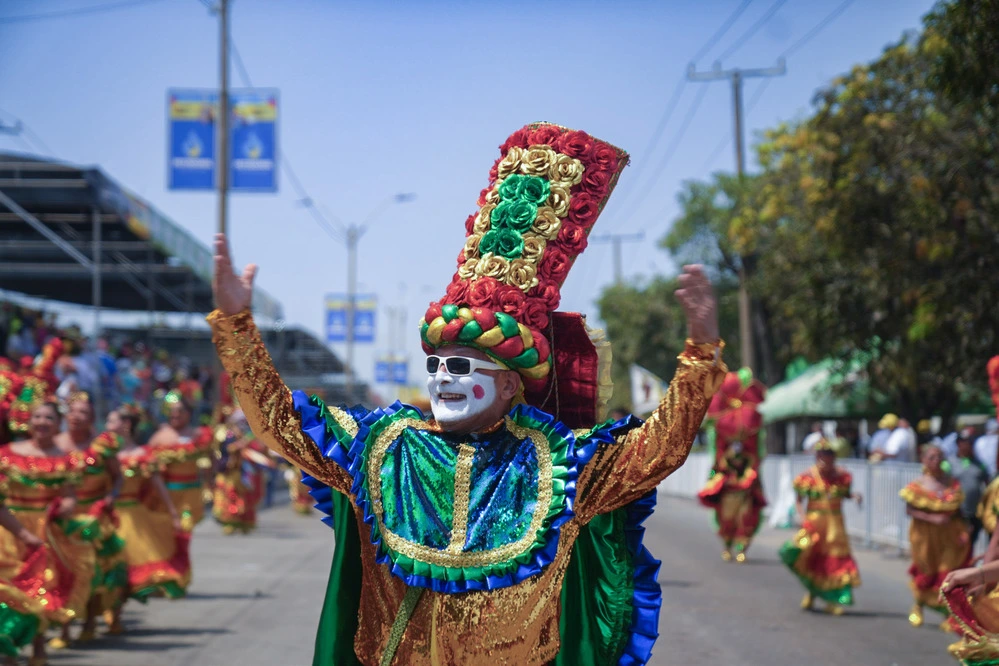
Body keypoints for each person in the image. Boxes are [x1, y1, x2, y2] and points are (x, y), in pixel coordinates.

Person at [208, 122, 727, 666]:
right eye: (435, 365)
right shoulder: (383, 447)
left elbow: (659, 450)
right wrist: (236, 326)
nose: (442, 378)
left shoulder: (560, 467)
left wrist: (701, 354)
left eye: (460, 366)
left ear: (509, 384)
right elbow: (280, 423)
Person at [0, 399, 100, 664]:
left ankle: (37, 646)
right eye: (37, 417)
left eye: (49, 418)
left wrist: (66, 505)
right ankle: (9, 647)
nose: (42, 422)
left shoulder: (64, 459)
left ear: (58, 425)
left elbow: (69, 494)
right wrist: (22, 533)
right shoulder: (6, 454)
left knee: (40, 589)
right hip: (8, 528)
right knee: (9, 587)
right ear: (28, 421)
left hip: (46, 531)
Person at [106, 406, 189, 634]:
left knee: (124, 566)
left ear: (126, 425)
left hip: (132, 517)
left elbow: (158, 486)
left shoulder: (141, 455)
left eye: (112, 421)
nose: (107, 426)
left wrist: (172, 513)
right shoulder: (101, 453)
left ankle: (115, 612)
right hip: (104, 515)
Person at [51, 393, 125, 646]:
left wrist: (111, 497)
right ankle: (64, 628)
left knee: (94, 570)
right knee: (63, 572)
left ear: (92, 418)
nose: (76, 416)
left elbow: (118, 476)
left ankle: (90, 621)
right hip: (63, 518)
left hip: (94, 518)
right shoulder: (54, 444)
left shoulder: (102, 445)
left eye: (83, 412)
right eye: (73, 411)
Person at [779, 443, 862, 615]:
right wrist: (803, 519)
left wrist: (854, 496)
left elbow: (845, 494)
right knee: (811, 558)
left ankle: (833, 599)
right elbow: (798, 501)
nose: (826, 462)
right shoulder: (807, 477)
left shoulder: (842, 476)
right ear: (818, 458)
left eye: (830, 458)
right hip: (815, 523)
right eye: (823, 457)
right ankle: (812, 593)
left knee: (834, 559)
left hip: (835, 524)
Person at [900, 444, 971, 628]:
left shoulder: (952, 483)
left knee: (948, 572)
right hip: (924, 536)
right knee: (926, 571)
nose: (936, 460)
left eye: (939, 456)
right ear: (923, 460)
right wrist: (932, 518)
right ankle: (919, 605)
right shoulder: (917, 485)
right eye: (932, 457)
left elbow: (959, 512)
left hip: (949, 534)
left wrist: (965, 530)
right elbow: (909, 510)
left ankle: (948, 614)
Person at [146, 394, 215, 529]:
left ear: (188, 413)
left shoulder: (198, 435)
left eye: (179, 411)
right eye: (172, 411)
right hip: (167, 494)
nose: (175, 414)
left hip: (192, 493)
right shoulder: (159, 437)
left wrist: (210, 482)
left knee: (185, 529)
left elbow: (210, 458)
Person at [697, 442, 766, 562]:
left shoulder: (749, 462)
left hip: (744, 498)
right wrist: (716, 479)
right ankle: (727, 548)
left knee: (745, 523)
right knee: (728, 524)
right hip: (727, 499)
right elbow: (712, 474)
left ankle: (741, 550)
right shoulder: (722, 461)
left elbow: (756, 479)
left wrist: (754, 486)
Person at [951, 428, 990, 549]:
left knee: (970, 545)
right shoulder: (948, 463)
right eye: (964, 442)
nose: (968, 445)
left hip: (974, 513)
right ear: (958, 443)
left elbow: (988, 484)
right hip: (956, 512)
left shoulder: (980, 464)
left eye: (970, 442)